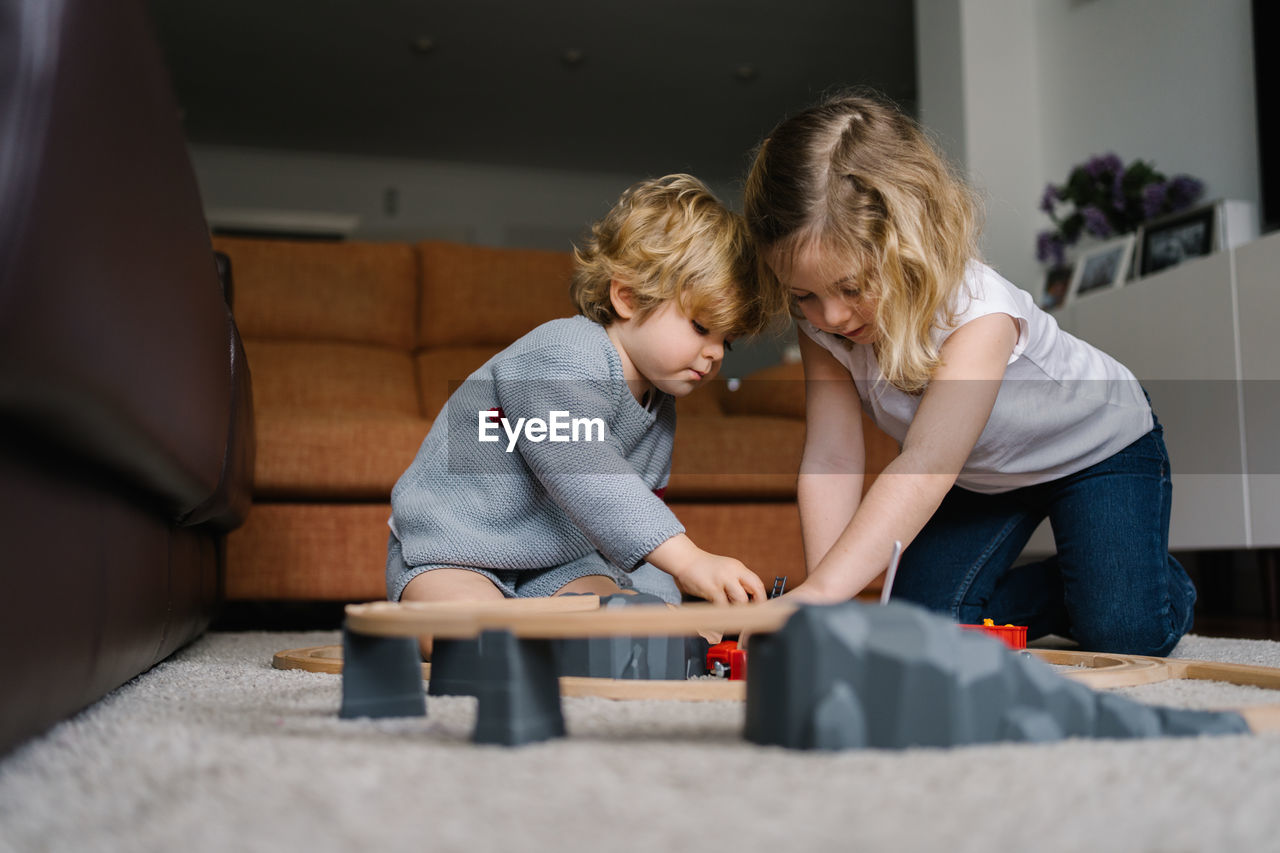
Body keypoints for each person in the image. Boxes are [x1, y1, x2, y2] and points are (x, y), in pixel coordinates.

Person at [742, 92, 1194, 656]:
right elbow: (832, 459)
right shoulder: (823, 326)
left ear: (909, 244)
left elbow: (927, 466)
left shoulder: (978, 312)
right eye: (803, 294)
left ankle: (1147, 582)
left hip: (1098, 448)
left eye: (852, 288)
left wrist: (827, 591)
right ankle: (1085, 584)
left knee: (1124, 633)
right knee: (918, 625)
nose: (830, 315)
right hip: (985, 475)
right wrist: (824, 600)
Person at [387, 174, 776, 654]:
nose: (714, 354)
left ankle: (554, 632)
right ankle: (500, 631)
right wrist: (691, 560)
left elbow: (634, 519)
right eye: (701, 327)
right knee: (465, 634)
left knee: (622, 619)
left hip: (560, 564)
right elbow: (589, 475)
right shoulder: (565, 355)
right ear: (627, 297)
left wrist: (664, 613)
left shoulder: (659, 406)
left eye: (727, 342)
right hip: (458, 550)